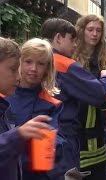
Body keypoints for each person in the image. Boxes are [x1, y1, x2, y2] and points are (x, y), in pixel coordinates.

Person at [41, 18, 106, 178]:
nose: (74, 44)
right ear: (59, 38)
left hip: (42, 133)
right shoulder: (65, 64)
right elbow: (99, 93)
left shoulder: (37, 61)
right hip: (67, 135)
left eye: (98, 30)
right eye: (71, 39)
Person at [6, 38, 65, 179]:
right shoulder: (4, 96)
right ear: (19, 63)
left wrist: (54, 144)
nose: (33, 69)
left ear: (47, 69)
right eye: (28, 62)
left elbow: (59, 138)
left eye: (40, 64)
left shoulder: (52, 104)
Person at [73, 14, 106, 180]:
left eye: (98, 30)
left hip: (98, 131)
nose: (94, 34)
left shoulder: (104, 62)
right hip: (75, 128)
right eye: (90, 29)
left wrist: (104, 97)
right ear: (81, 31)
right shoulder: (71, 59)